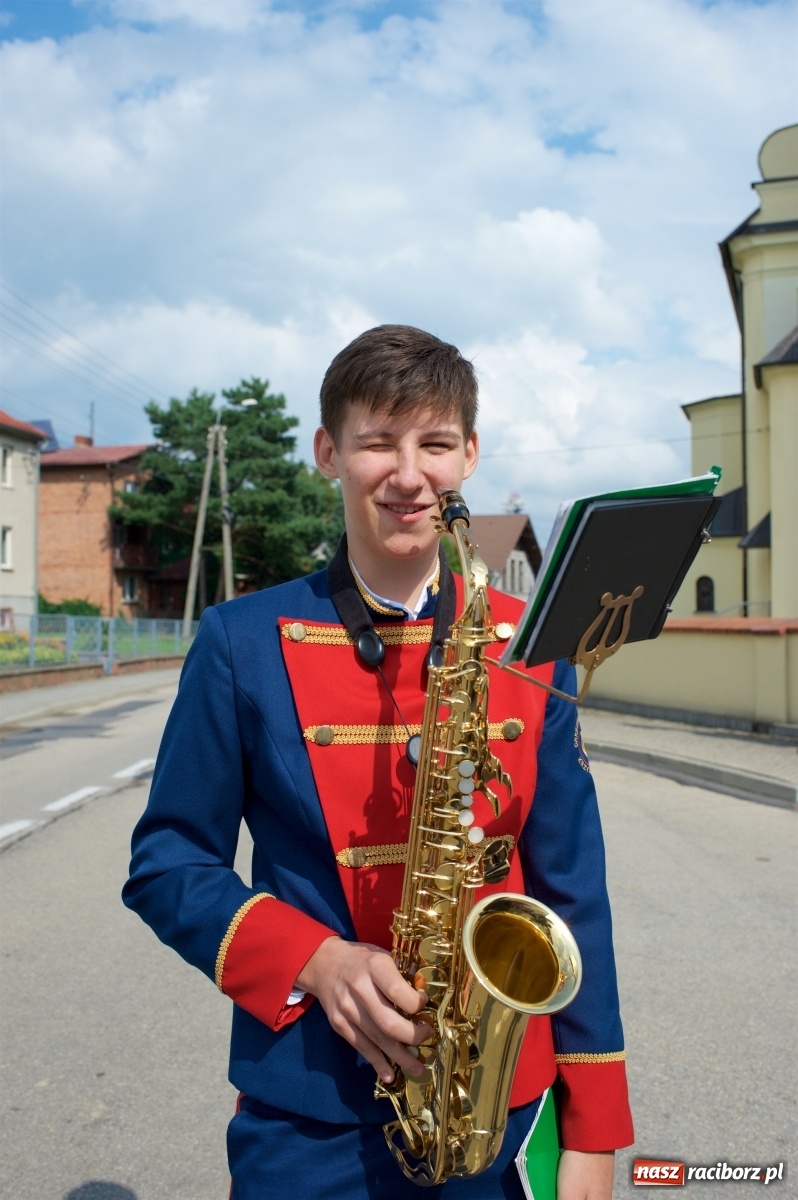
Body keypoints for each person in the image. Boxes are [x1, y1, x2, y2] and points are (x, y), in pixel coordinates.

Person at [122, 325, 633, 1199]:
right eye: (376, 443)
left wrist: (592, 1130)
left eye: (435, 443)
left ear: (468, 454)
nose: (409, 475)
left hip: (501, 1116)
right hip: (307, 1115)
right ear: (329, 453)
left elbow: (572, 893)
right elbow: (168, 861)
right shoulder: (240, 642)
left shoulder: (533, 645)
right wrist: (315, 959)